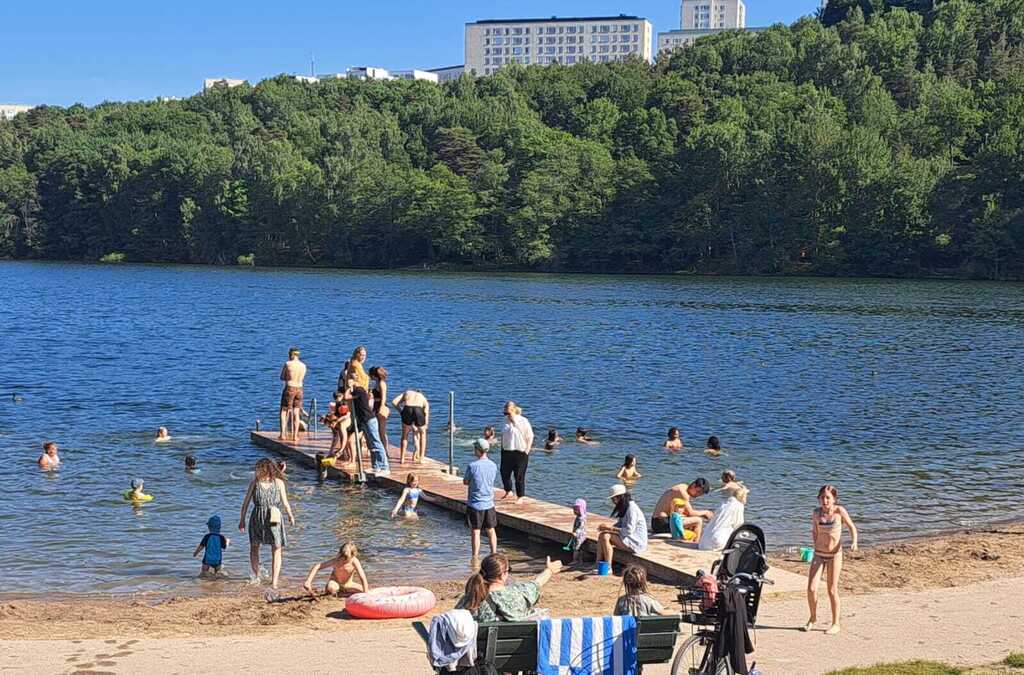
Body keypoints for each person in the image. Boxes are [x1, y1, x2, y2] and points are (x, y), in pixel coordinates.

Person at [804, 485, 858, 635]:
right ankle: (813, 618)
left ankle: (835, 623)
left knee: (832, 590)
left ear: (834, 499)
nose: (825, 500)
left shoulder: (839, 511)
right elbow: (814, 531)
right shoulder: (816, 513)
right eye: (822, 497)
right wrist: (816, 545)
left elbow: (852, 527)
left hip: (835, 555)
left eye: (828, 497)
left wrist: (854, 542)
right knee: (811, 588)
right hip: (819, 554)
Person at [239, 458, 295, 592]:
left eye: (258, 468)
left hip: (274, 517)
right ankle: (257, 577)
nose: (256, 471)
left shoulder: (279, 483)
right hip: (257, 517)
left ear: (264, 469)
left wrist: (290, 515)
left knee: (276, 548)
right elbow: (246, 503)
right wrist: (242, 519)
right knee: (254, 547)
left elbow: (285, 502)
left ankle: (274, 581)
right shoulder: (255, 483)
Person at [455, 553, 561, 622]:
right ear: (502, 574)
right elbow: (536, 583)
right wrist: (549, 570)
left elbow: (454, 621)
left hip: (477, 654)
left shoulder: (470, 598)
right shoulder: (517, 594)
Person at [346, 376, 390, 477]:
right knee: (371, 444)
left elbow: (346, 397)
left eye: (351, 381)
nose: (349, 383)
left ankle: (385, 467)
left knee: (376, 443)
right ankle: (376, 466)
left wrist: (349, 387)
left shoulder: (359, 390)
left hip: (369, 420)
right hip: (364, 421)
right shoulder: (356, 391)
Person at [596, 485, 648, 569]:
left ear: (620, 497)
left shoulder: (632, 509)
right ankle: (598, 564)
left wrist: (609, 529)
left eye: (613, 498)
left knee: (605, 536)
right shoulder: (625, 507)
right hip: (629, 538)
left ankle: (608, 567)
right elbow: (620, 524)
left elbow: (628, 531)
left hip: (636, 542)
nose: (613, 501)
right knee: (603, 535)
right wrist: (607, 528)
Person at [464, 438, 499, 560]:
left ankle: (475, 556)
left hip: (475, 504)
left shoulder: (472, 466)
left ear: (478, 450)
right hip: (489, 502)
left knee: (476, 531)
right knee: (491, 529)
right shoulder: (493, 465)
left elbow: (466, 481)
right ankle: (494, 553)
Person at [698, 470, 749, 550]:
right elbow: (738, 525)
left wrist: (713, 490)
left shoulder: (723, 504)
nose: (721, 478)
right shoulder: (739, 504)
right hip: (717, 542)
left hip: (703, 543)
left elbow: (724, 487)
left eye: (722, 476)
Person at [303, 542, 369, 598]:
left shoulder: (354, 561)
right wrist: (308, 581)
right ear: (339, 553)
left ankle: (343, 594)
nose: (342, 560)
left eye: (346, 558)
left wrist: (366, 593)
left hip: (348, 584)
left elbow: (362, 577)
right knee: (331, 588)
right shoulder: (336, 560)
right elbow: (317, 566)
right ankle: (341, 594)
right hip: (335, 583)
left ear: (352, 555)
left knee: (365, 591)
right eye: (341, 557)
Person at [500, 401, 534, 505]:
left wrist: (527, 450)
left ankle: (520, 496)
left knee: (519, 475)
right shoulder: (504, 421)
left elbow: (530, 436)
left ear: (514, 410)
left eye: (508, 413)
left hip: (520, 451)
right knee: (504, 472)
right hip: (507, 450)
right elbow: (503, 435)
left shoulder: (523, 421)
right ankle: (508, 490)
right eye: (505, 413)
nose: (506, 415)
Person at [392, 388, 429, 464]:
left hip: (407, 408)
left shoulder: (407, 392)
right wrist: (426, 424)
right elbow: (426, 412)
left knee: (405, 435)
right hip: (419, 410)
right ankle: (421, 458)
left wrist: (401, 411)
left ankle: (402, 459)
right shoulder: (423, 398)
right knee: (423, 434)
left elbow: (394, 402)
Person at [279, 347, 307, 442]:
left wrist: (288, 377)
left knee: (284, 411)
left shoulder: (288, 364)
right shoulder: (303, 366)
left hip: (290, 387)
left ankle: (282, 434)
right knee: (296, 412)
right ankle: (295, 436)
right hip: (300, 388)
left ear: (291, 354)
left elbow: (282, 377)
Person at [368, 366, 390, 451]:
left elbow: (384, 397)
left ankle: (385, 450)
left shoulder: (381, 383)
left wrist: (382, 407)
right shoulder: (373, 383)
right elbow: (370, 393)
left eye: (370, 375)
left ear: (374, 375)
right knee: (374, 429)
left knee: (382, 431)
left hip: (381, 405)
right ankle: (377, 449)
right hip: (374, 405)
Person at [563, 498, 588, 566]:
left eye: (576, 509)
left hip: (580, 535)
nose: (574, 511)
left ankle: (576, 560)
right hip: (576, 535)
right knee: (575, 547)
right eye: (574, 509)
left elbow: (581, 527)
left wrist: (576, 533)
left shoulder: (582, 518)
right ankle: (578, 560)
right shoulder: (578, 517)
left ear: (581, 509)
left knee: (577, 548)